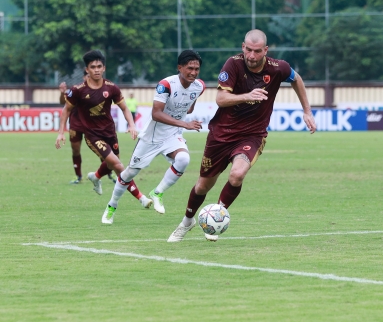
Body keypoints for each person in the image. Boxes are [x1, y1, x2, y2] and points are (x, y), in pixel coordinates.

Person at [167, 29, 317, 243]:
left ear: (265, 50)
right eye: (248, 50)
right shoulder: (233, 64)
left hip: (252, 135)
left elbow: (296, 78)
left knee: (237, 175)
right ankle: (187, 221)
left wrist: (307, 110)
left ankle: (216, 217)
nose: (252, 55)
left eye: (257, 51)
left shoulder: (277, 68)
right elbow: (220, 99)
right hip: (221, 134)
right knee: (202, 186)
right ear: (242, 47)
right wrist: (248, 96)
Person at [101, 50, 205, 224]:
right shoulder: (166, 85)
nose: (194, 72)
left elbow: (190, 107)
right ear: (179, 67)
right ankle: (112, 205)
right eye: (190, 68)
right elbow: (156, 114)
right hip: (152, 136)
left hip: (172, 135)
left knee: (183, 159)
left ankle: (157, 192)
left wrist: (184, 117)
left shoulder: (199, 86)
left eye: (197, 69)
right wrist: (185, 124)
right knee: (129, 173)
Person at [55, 50, 151, 213]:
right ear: (87, 70)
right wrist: (60, 132)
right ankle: (141, 197)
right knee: (118, 165)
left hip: (109, 132)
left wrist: (132, 125)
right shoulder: (78, 90)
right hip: (93, 135)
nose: (96, 70)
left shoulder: (111, 88)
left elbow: (124, 108)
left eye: (99, 66)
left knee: (111, 164)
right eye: (93, 67)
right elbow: (65, 110)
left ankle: (95, 176)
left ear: (104, 68)